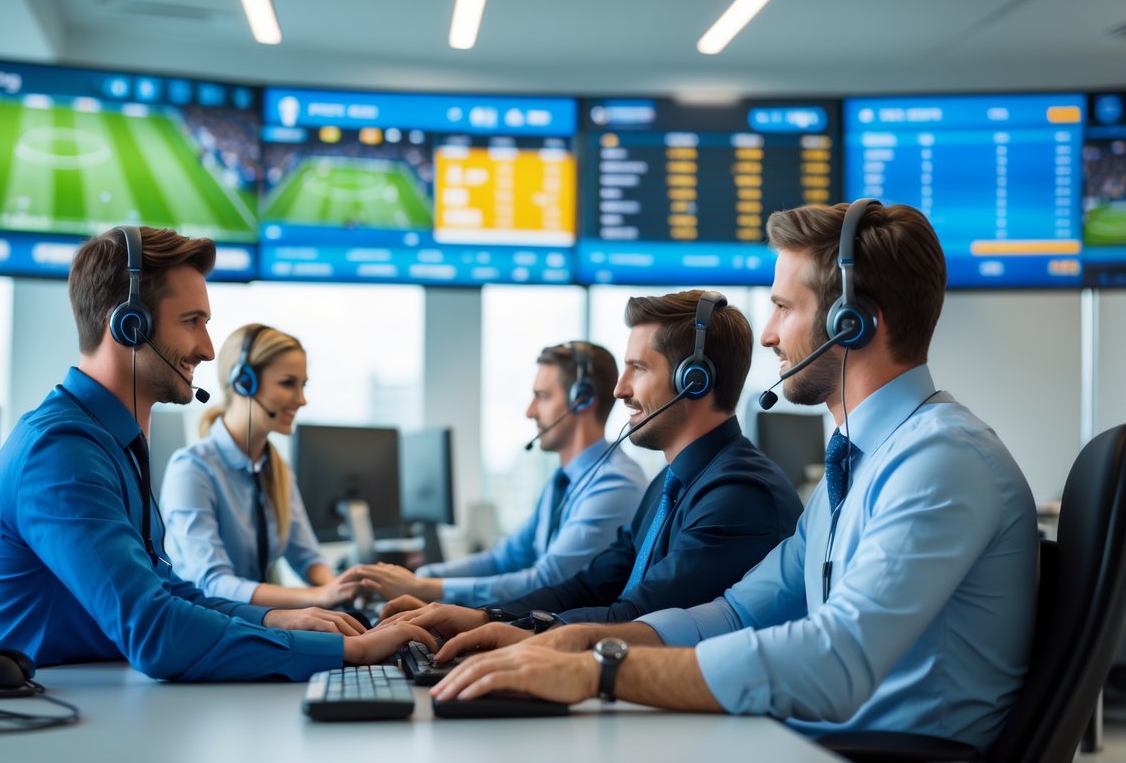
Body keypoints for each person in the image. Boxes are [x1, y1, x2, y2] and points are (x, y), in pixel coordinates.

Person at [431, 201, 1038, 753]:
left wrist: (602, 669)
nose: (769, 334)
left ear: (853, 322)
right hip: (821, 741)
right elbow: (734, 613)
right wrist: (578, 640)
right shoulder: (859, 463)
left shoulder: (940, 460)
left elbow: (836, 662)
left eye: (782, 307)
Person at [0, 226, 430, 680]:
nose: (209, 350)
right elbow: (153, 630)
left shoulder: (115, 445)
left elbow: (167, 593)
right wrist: (347, 650)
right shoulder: (61, 453)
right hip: (35, 722)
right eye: (192, 322)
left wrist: (275, 619)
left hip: (84, 696)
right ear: (131, 325)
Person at [384, 290, 801, 638]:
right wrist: (484, 617)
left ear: (693, 380)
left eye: (637, 368)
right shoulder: (670, 483)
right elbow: (590, 584)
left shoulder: (739, 495)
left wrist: (516, 633)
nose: (620, 390)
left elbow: (635, 617)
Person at [344, 341, 648, 607]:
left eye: (541, 396)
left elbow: (547, 580)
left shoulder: (614, 485)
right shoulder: (562, 483)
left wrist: (426, 589)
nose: (530, 411)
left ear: (581, 399)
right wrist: (419, 577)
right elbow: (503, 558)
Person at [160, 323, 357, 609]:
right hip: (210, 628)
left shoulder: (276, 469)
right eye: (288, 383)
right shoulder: (192, 470)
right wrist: (317, 597)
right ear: (244, 382)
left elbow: (308, 558)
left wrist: (342, 588)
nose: (301, 399)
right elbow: (212, 583)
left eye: (303, 386)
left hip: (258, 625)